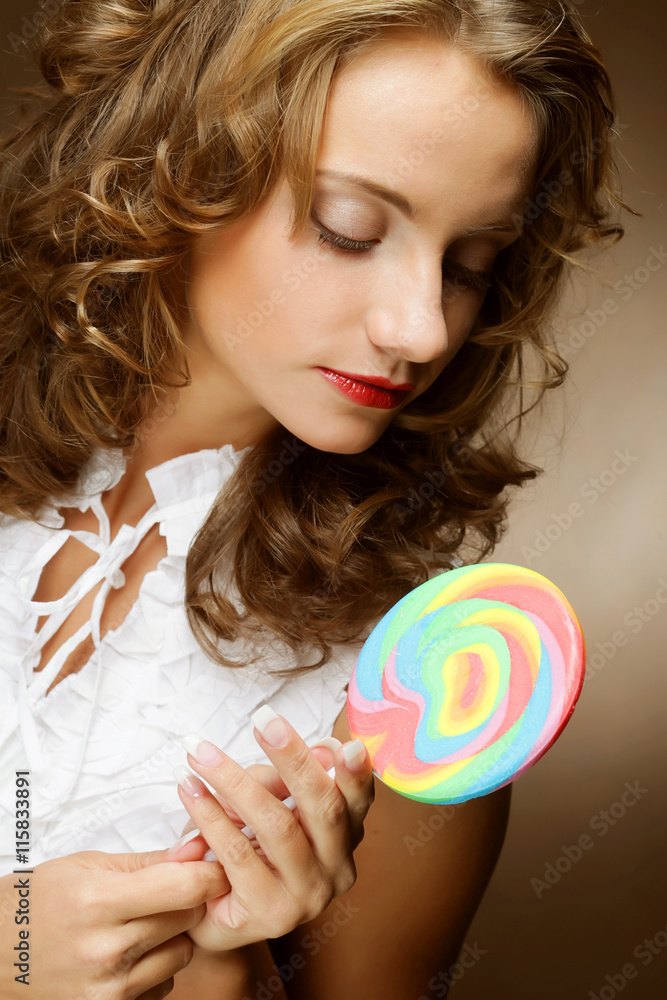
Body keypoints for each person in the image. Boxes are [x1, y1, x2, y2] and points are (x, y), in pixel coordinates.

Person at [0, 0, 624, 997]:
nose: (421, 327)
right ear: (180, 168)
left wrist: (227, 970)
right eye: (349, 227)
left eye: (469, 266)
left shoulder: (411, 699)